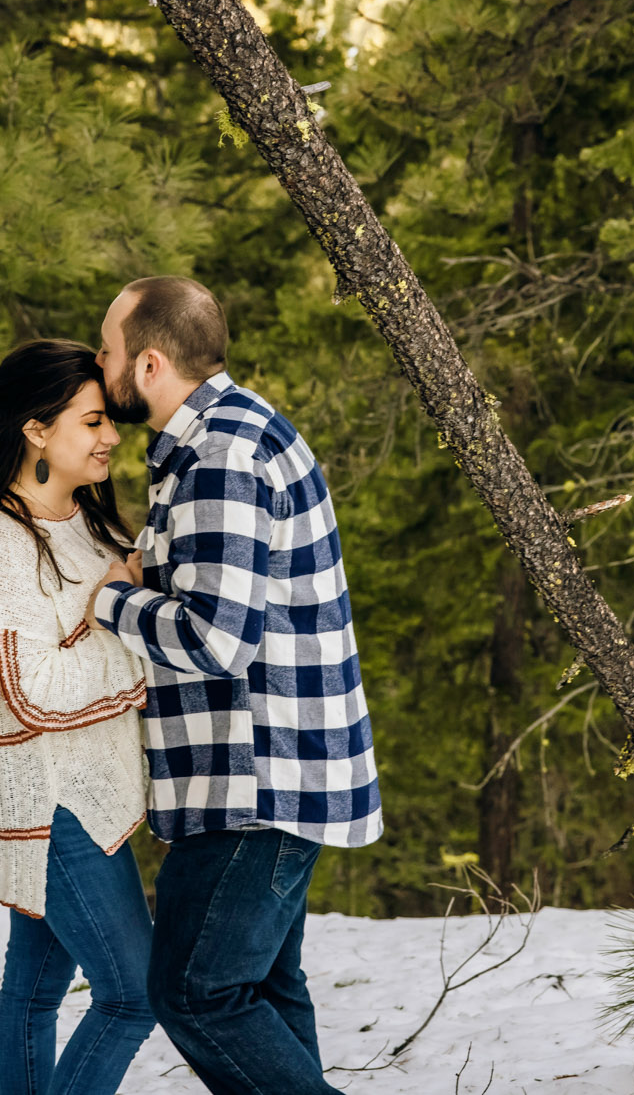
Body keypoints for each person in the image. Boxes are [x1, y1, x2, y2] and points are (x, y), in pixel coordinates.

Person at [88, 276, 383, 1095]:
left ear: (149, 363)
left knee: (197, 993)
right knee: (259, 990)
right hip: (264, 770)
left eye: (108, 351)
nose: (99, 365)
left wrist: (112, 599)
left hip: (255, 778)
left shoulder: (221, 453)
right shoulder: (222, 435)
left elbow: (216, 640)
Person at [0, 338, 156, 1095]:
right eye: (92, 421)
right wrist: (128, 637)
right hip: (49, 803)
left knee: (33, 989)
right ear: (36, 429)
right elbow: (27, 692)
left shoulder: (90, 523)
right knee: (134, 994)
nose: (112, 437)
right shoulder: (1, 545)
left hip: (81, 792)